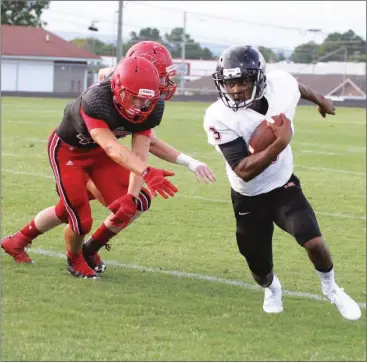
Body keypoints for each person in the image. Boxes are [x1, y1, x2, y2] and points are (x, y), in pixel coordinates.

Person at [2, 42, 215, 275]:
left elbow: (141, 149)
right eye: (161, 76)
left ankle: (43, 243)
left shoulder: (149, 102)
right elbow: (112, 147)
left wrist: (131, 196)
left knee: (134, 202)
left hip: (99, 153)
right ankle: (75, 257)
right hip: (70, 151)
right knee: (80, 218)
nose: (164, 84)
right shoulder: (99, 97)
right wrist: (148, 172)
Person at [203, 45, 361, 320]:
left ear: (260, 79)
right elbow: (242, 170)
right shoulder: (218, 116)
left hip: (283, 186)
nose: (236, 89)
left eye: (243, 81)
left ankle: (331, 288)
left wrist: (320, 99)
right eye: (230, 82)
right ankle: (272, 288)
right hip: (248, 195)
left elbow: (295, 86)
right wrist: (279, 143)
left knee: (314, 241)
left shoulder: (280, 84)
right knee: (259, 269)